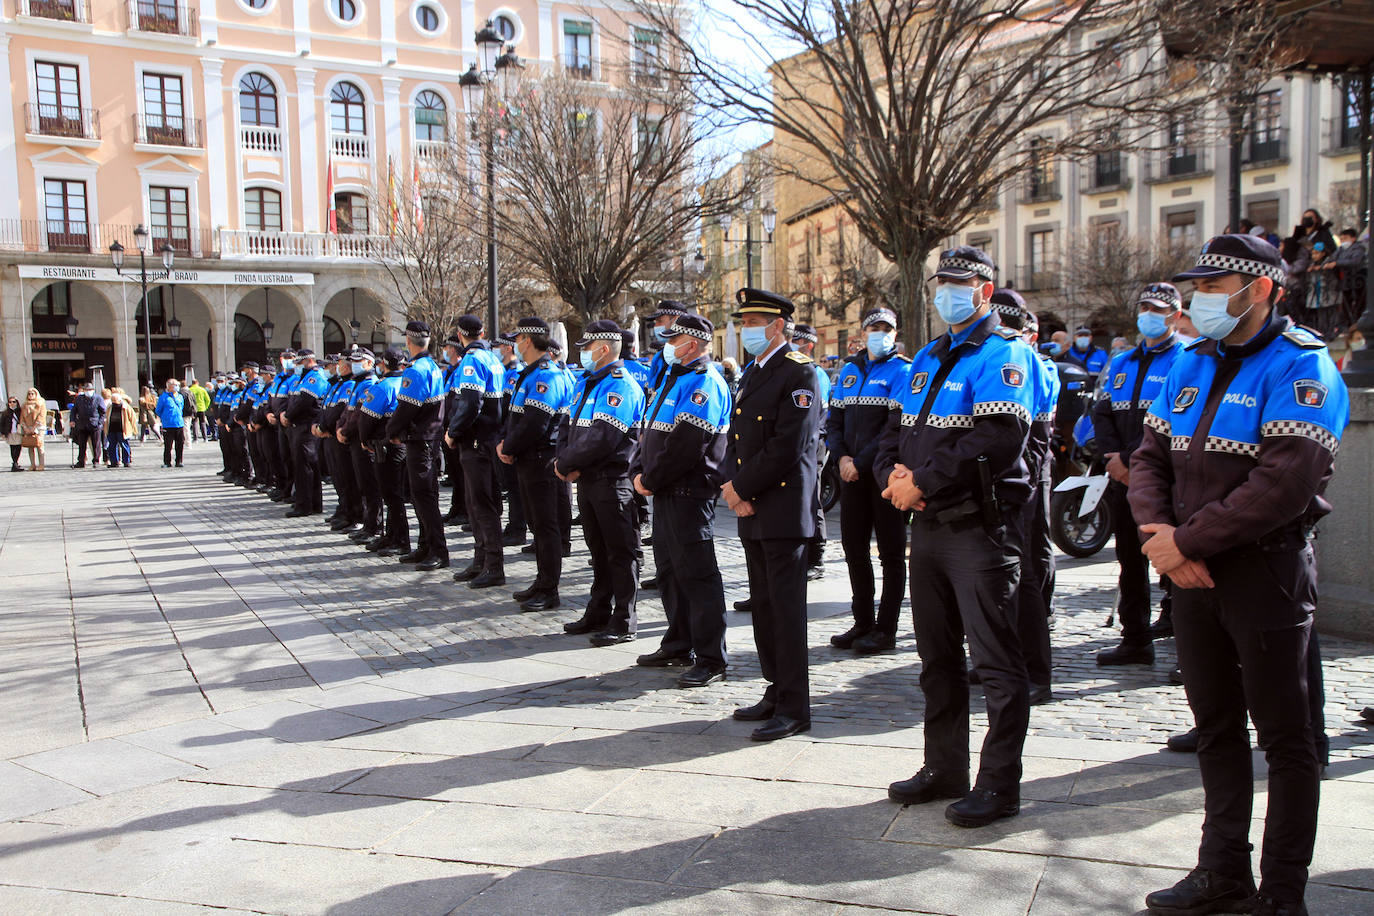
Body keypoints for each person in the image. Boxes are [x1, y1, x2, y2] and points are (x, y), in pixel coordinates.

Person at [1130, 234, 1350, 916]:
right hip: (1191, 578)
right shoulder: (1190, 363)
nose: (1200, 299)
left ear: (1259, 290)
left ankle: (1284, 890)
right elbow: (1149, 457)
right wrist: (1161, 539)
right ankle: (1221, 867)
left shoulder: (1303, 366)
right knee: (1216, 726)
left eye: (1215, 288)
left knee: (1288, 739)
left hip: (1265, 574)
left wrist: (1184, 542)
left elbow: (1281, 485)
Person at [876, 246, 1037, 828]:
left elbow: (994, 443)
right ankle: (944, 766)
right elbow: (895, 431)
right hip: (931, 525)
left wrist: (922, 483)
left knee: (995, 661)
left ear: (985, 291)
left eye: (960, 282)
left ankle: (999, 784)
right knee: (936, 657)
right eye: (941, 282)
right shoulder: (927, 355)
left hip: (978, 526)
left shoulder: (1004, 355)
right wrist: (893, 479)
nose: (948, 291)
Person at [722, 288, 820, 742]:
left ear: (777, 325)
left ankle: (795, 706)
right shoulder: (754, 372)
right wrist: (732, 486)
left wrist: (741, 487)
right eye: (744, 323)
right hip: (752, 507)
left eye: (752, 323)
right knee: (762, 607)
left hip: (780, 508)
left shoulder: (799, 372)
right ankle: (774, 689)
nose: (746, 330)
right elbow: (738, 435)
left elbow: (789, 444)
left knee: (785, 611)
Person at [631, 313, 732, 687]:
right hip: (666, 491)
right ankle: (678, 641)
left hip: (689, 491)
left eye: (673, 341)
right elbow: (650, 434)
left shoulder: (704, 383)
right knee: (671, 571)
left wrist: (649, 478)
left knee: (697, 574)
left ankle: (711, 657)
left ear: (691, 344)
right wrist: (639, 472)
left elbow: (686, 445)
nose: (667, 346)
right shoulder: (674, 379)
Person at [1089, 283, 1186, 668]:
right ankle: (1135, 639)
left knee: (1177, 561)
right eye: (1144, 307)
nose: (1148, 314)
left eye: (1158, 309)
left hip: (1167, 479)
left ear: (1175, 316)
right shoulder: (1123, 361)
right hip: (1124, 477)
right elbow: (1103, 412)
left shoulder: (1187, 359)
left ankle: (1189, 646)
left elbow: (1177, 423)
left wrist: (1131, 460)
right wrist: (1114, 458)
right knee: (1130, 561)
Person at [825, 307, 911, 654]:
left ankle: (885, 628)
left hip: (883, 475)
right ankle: (862, 621)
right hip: (850, 475)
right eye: (874, 327)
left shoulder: (903, 370)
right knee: (854, 550)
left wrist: (859, 461)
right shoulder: (848, 370)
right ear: (862, 333)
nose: (880, 333)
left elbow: (894, 427)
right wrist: (842, 457)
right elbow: (834, 422)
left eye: (886, 328)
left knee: (891, 554)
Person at [555, 319, 645, 646]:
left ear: (604, 349)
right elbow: (568, 426)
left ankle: (624, 618)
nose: (583, 354)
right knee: (598, 549)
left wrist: (567, 463)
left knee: (620, 551)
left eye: (588, 347)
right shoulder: (586, 382)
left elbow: (602, 438)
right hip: (587, 480)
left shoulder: (620, 385)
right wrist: (562, 460)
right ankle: (598, 608)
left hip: (612, 480)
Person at [991, 290, 1059, 706]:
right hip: (992, 486)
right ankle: (998, 661)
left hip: (1021, 485)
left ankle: (1037, 673)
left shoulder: (1027, 361)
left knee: (1026, 578)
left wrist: (1022, 485)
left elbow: (1036, 436)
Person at [499, 317, 573, 612]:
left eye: (517, 339)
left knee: (546, 526)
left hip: (541, 460)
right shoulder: (530, 374)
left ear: (527, 340)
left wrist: (509, 446)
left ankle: (549, 589)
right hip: (528, 460)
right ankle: (542, 581)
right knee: (537, 526)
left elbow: (535, 423)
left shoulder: (546, 377)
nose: (514, 344)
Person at [445, 315, 506, 586]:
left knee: (481, 504)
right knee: (477, 503)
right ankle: (481, 560)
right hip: (488, 440)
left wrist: (453, 432)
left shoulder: (471, 360)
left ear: (460, 335)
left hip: (475, 440)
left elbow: (470, 403)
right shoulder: (493, 358)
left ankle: (493, 565)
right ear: (482, 332)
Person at [387, 321, 448, 571]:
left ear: (409, 343)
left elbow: (406, 408)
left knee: (423, 497)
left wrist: (392, 431)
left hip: (420, 438)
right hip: (429, 438)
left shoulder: (415, 370)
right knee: (423, 495)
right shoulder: (432, 366)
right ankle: (425, 545)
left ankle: (437, 550)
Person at [359, 348, 411, 557]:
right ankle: (391, 535)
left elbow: (367, 418)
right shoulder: (406, 383)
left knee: (390, 494)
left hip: (385, 445)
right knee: (394, 493)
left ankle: (399, 539)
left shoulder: (384, 386)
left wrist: (364, 440)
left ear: (384, 364)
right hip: (403, 444)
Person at [790, 323, 832, 582]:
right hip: (798, 443)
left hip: (815, 443)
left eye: (798, 341)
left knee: (813, 498)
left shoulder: (816, 374)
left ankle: (817, 556)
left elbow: (815, 415)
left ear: (809, 345)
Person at [282, 350, 328, 517]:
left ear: (309, 361)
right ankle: (310, 503)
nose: (296, 366)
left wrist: (288, 416)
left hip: (306, 426)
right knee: (304, 465)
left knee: (305, 467)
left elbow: (304, 402)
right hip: (298, 425)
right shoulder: (301, 378)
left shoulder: (315, 377)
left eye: (299, 363)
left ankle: (305, 505)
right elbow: (292, 400)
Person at [68, 383, 103, 468]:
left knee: (96, 444)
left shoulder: (98, 398)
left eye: (90, 390)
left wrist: (99, 423)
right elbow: (74, 410)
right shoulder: (79, 399)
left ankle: (96, 460)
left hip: (94, 424)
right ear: (84, 391)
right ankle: (81, 461)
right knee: (82, 444)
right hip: (82, 424)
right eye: (87, 390)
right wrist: (72, 420)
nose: (88, 392)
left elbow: (103, 411)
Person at [155, 379, 187, 467]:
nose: (176, 387)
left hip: (179, 424)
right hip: (168, 425)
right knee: (168, 445)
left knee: (180, 444)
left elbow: (182, 408)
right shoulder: (163, 397)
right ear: (169, 387)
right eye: (174, 385)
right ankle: (167, 462)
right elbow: (158, 410)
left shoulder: (180, 396)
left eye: (177, 385)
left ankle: (179, 461)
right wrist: (165, 417)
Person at [104, 387, 135, 468]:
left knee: (124, 445)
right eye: (112, 401)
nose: (114, 403)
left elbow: (132, 418)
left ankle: (126, 461)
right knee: (112, 446)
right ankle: (114, 462)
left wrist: (133, 429)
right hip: (111, 429)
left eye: (115, 401)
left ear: (120, 400)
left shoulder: (126, 407)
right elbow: (106, 417)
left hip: (122, 429)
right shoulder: (110, 406)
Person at [19, 388, 47, 471]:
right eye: (29, 394)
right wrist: (25, 427)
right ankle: (32, 464)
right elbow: (22, 418)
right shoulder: (24, 405)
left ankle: (41, 464)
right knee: (30, 445)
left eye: (32, 393)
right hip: (27, 427)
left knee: (39, 445)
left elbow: (41, 416)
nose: (30, 395)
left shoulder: (40, 403)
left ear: (36, 394)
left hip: (39, 427)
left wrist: (34, 427)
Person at [3, 395, 24, 471]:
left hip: (18, 432)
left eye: (14, 402)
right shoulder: (6, 413)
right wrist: (2, 433)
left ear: (17, 402)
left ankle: (15, 463)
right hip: (10, 432)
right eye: (10, 402)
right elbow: (2, 423)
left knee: (18, 447)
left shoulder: (20, 411)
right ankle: (15, 463)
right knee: (12, 448)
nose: (12, 403)